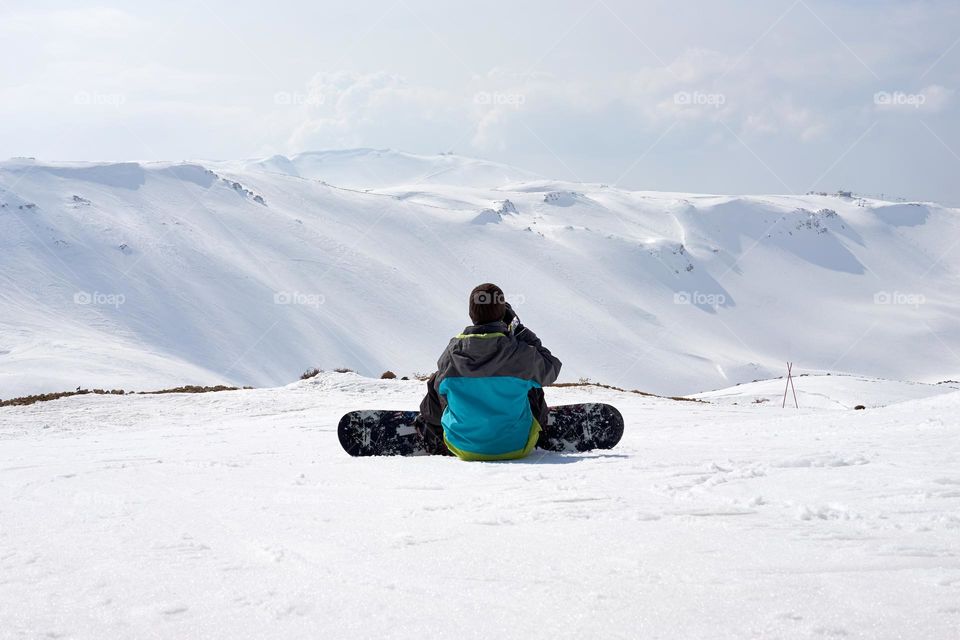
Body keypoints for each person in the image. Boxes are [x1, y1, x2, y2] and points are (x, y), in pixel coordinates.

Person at [419, 283, 562, 460]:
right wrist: (518, 328)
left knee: (437, 382)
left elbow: (441, 392)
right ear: (503, 315)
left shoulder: (452, 353)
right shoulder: (520, 353)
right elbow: (551, 367)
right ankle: (535, 429)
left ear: (471, 314)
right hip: (517, 446)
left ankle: (431, 429)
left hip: (463, 448)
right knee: (533, 384)